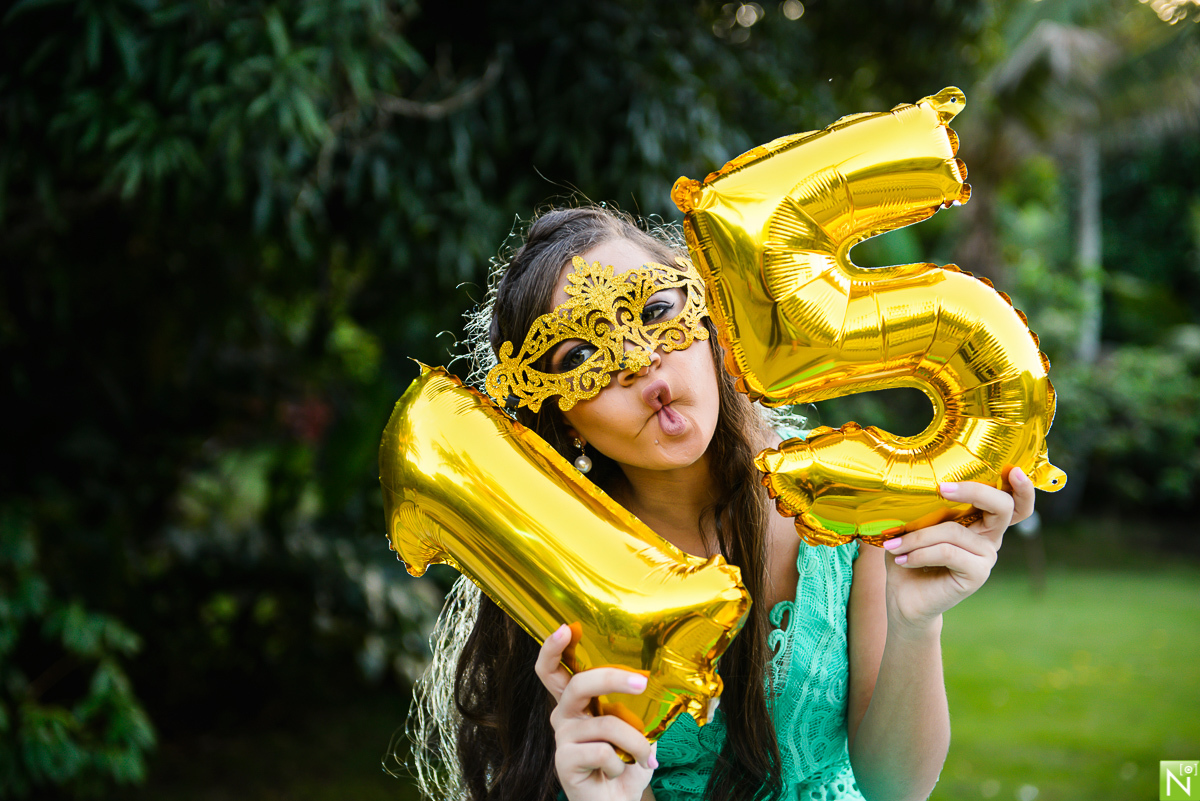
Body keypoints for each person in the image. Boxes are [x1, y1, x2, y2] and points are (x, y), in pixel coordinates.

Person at [406, 205, 1035, 801]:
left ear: (705, 321)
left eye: (654, 309)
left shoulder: (838, 499)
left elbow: (896, 788)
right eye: (582, 355)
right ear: (563, 418)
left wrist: (916, 621)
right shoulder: (559, 575)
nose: (638, 360)